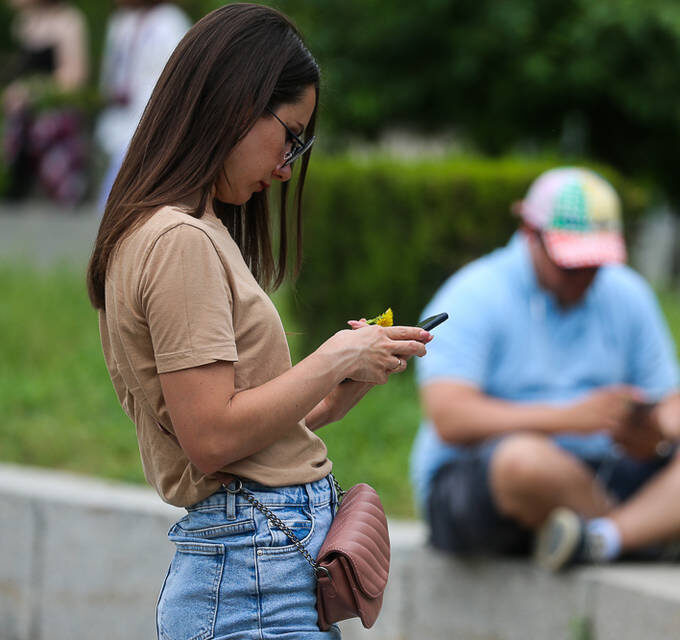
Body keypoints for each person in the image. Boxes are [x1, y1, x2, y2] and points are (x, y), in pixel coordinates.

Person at [86, 5, 432, 637]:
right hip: (252, 575)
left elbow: (231, 432)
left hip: (257, 568)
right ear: (236, 102)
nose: (287, 166)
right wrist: (333, 356)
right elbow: (211, 439)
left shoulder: (185, 229)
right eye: (291, 136)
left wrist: (331, 397)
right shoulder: (180, 240)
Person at [410, 167, 680, 570]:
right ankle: (660, 532)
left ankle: (599, 540)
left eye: (595, 263)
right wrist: (570, 419)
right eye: (571, 265)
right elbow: (450, 416)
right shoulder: (474, 293)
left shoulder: (627, 292)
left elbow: (675, 404)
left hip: (603, 471)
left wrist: (657, 436)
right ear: (529, 233)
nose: (585, 277)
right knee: (523, 462)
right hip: (485, 483)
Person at [94, 0, 191, 208]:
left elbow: (179, 79)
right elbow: (111, 72)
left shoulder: (170, 22)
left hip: (154, 116)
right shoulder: (121, 23)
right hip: (120, 117)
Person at [2, 0, 89, 204]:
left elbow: (75, 77)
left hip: (54, 126)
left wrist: (31, 91)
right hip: (23, 126)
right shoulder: (23, 23)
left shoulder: (68, 21)